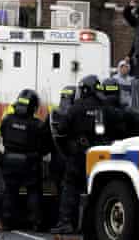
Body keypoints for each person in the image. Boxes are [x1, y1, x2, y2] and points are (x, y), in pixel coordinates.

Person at [51, 75, 116, 234]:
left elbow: (61, 130)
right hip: (101, 157)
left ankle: (66, 223)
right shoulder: (105, 108)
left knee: (70, 188)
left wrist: (67, 148)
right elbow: (117, 128)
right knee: (96, 191)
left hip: (78, 156)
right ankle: (94, 226)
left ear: (85, 89)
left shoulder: (76, 107)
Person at [0, 89, 51, 231]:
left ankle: (6, 222)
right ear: (33, 107)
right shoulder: (37, 124)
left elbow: (2, 134)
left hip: (9, 161)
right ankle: (36, 223)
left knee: (10, 192)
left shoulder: (7, 120)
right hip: (29, 163)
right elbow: (45, 145)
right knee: (33, 192)